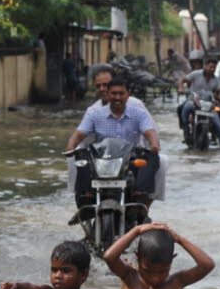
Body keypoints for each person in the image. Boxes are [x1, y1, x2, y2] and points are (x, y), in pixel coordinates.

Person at [66, 78, 161, 206]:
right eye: (114, 93)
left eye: (121, 93)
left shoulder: (139, 114)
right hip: (102, 161)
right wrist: (70, 146)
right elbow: (78, 134)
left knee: (152, 156)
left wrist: (154, 144)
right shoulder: (95, 114)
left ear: (128, 94)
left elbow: (150, 132)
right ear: (108, 94)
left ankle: (140, 194)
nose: (117, 97)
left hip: (130, 161)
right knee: (81, 154)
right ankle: (86, 195)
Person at [178, 59, 220, 148]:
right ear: (206, 66)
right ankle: (186, 129)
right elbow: (183, 80)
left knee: (219, 124)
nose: (212, 69)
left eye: (214, 67)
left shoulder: (216, 80)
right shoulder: (196, 74)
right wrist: (180, 88)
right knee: (185, 109)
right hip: (193, 100)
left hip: (209, 105)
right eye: (210, 67)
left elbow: (219, 91)